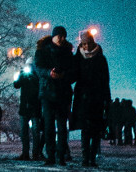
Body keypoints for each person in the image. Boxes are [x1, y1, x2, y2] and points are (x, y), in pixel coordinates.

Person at [36, 25, 77, 166]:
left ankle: (60, 156)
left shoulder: (67, 53)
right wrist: (50, 73)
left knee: (61, 127)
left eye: (64, 36)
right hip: (48, 92)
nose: (62, 38)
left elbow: (73, 72)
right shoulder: (42, 51)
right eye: (60, 36)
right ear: (53, 36)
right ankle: (51, 156)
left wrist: (63, 75)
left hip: (62, 93)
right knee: (49, 126)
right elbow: (38, 69)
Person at [73, 31, 111, 167]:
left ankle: (91, 158)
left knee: (95, 130)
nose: (87, 46)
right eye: (84, 44)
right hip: (83, 97)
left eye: (88, 43)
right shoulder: (78, 58)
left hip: (96, 98)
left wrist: (107, 99)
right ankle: (85, 158)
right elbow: (73, 75)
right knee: (85, 129)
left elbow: (105, 80)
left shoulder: (100, 59)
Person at [16, 66, 42, 160]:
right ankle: (28, 153)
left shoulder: (37, 76)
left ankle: (33, 153)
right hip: (28, 107)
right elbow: (16, 84)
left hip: (32, 107)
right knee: (28, 131)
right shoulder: (25, 76)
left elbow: (16, 84)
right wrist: (20, 75)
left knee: (34, 131)